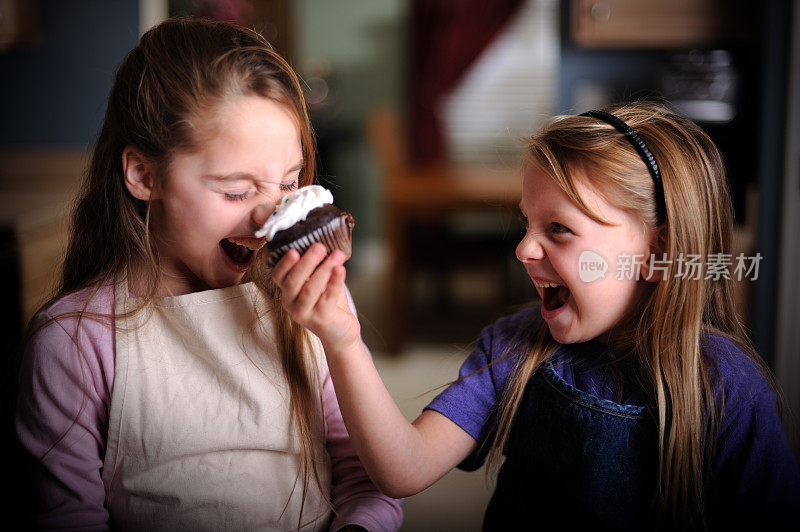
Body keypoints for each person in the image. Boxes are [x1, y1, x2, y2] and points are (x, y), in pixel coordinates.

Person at [272, 102, 800, 530]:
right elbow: (401, 468)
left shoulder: (730, 390)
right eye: (527, 224)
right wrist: (342, 340)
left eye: (559, 230)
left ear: (656, 254)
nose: (524, 248)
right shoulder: (514, 345)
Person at [14, 18, 402, 532]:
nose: (268, 218)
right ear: (144, 175)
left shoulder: (314, 305)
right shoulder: (75, 341)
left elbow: (367, 476)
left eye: (287, 186)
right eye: (236, 192)